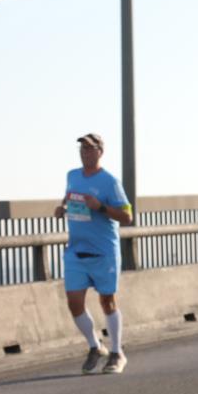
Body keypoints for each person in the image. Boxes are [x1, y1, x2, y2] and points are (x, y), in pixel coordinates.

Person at [54, 134, 133, 374]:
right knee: (74, 303)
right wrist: (62, 208)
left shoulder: (110, 182)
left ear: (100, 151)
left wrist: (100, 207)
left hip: (103, 251)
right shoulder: (72, 175)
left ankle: (117, 352)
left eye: (90, 149)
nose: (85, 152)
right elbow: (69, 198)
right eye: (82, 148)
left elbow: (127, 216)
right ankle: (95, 346)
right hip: (76, 250)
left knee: (107, 301)